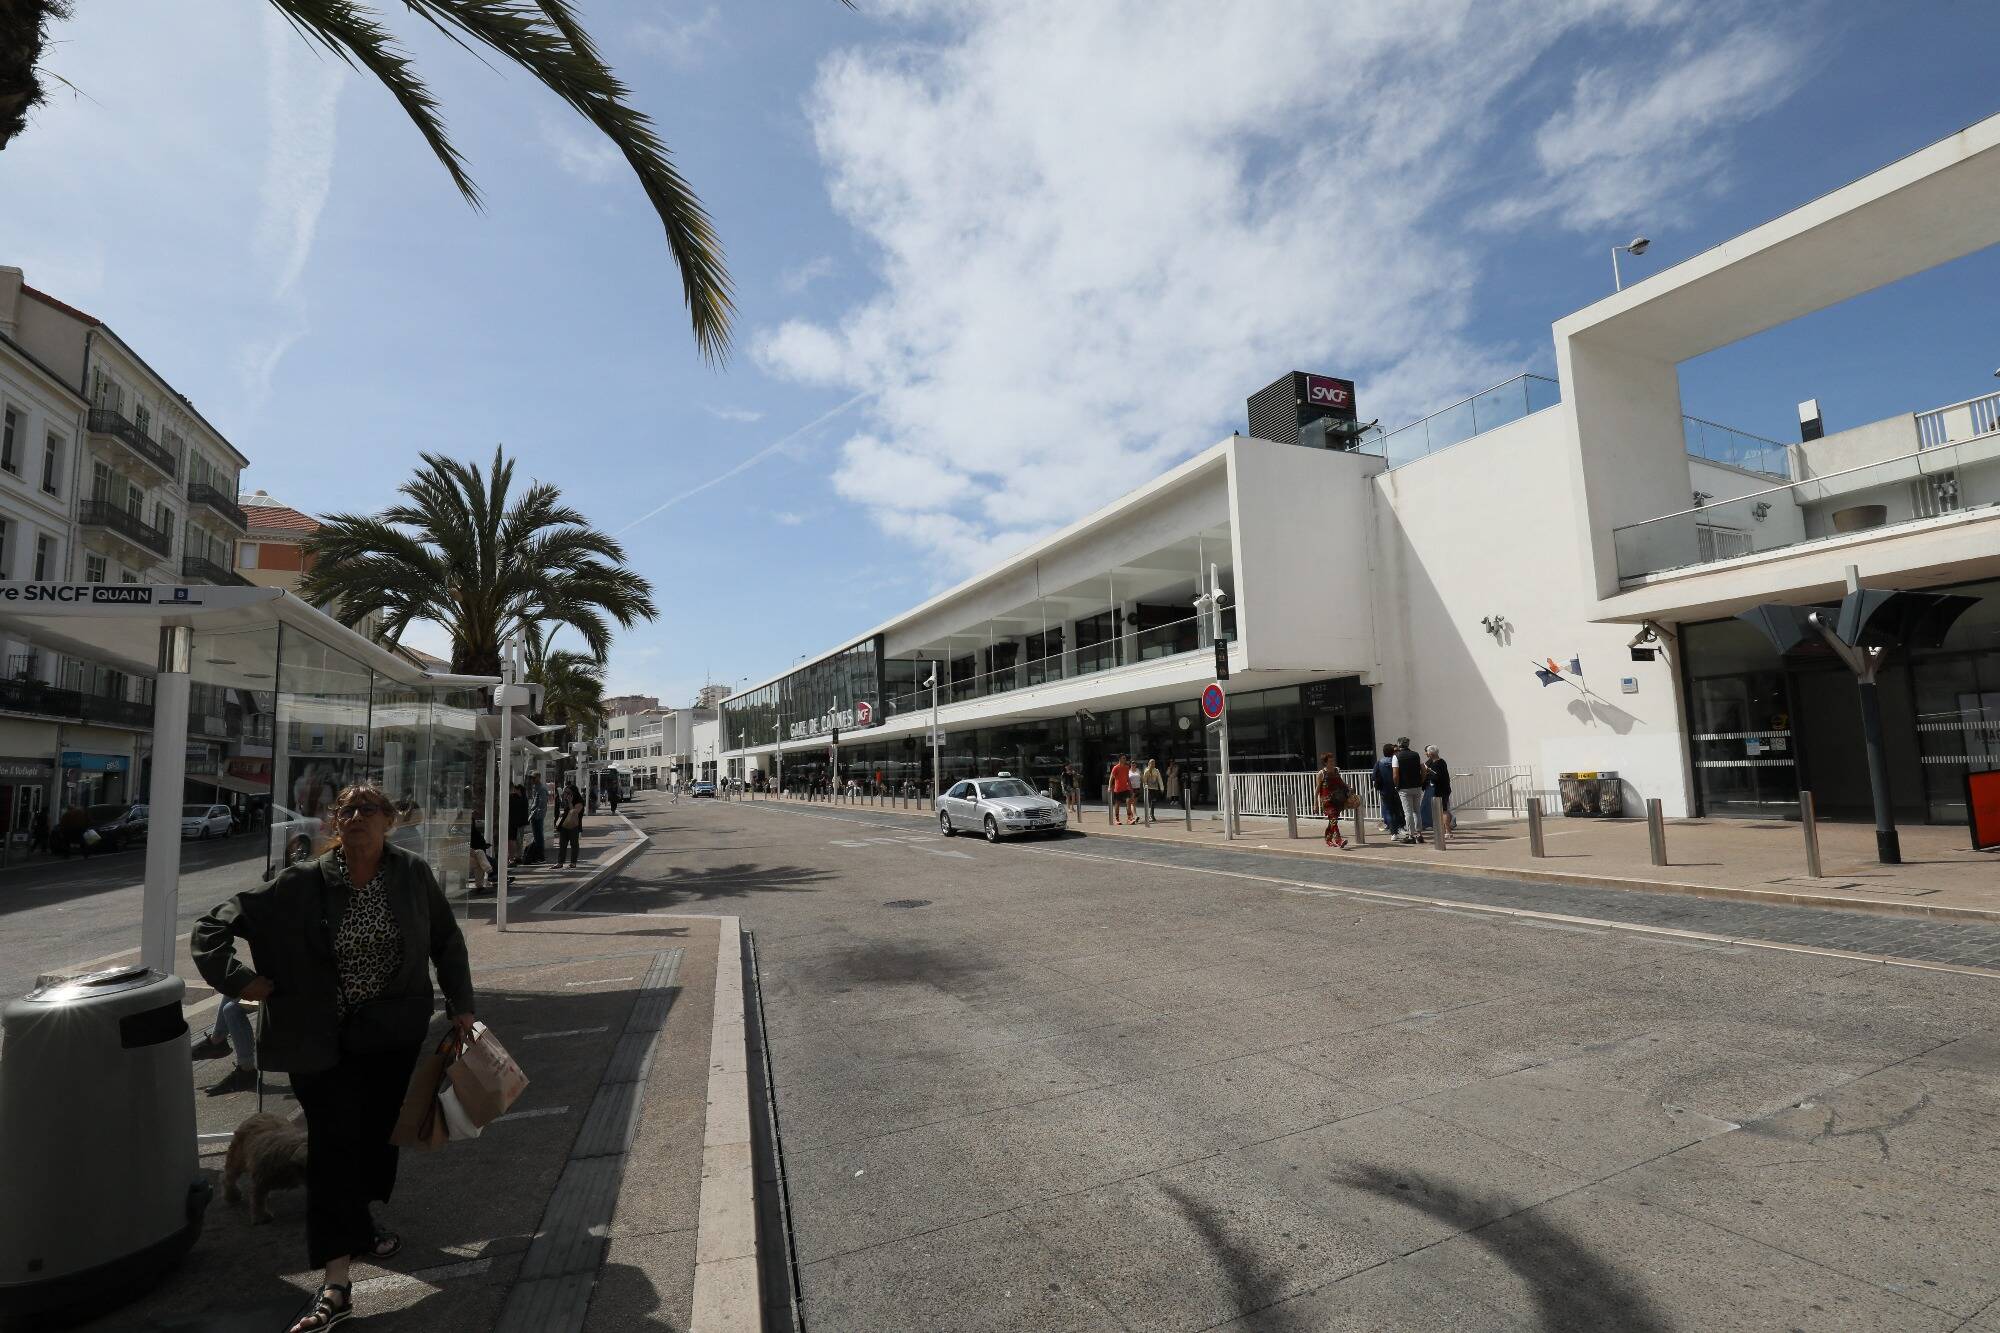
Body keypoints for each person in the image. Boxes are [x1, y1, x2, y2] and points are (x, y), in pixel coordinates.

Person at [191, 782, 475, 1333]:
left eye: (370, 809)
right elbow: (212, 927)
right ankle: (336, 1284)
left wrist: (461, 1005)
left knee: (374, 1143)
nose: (358, 817)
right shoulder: (300, 884)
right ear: (332, 823)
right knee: (331, 1151)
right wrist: (240, 980)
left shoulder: (411, 874)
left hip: (390, 1035)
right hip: (319, 1042)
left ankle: (360, 1221)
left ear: (389, 821)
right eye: (347, 810)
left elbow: (446, 939)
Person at [190, 993, 260, 1093]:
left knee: (232, 1010)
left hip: (282, 994)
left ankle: (246, 1070)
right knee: (233, 987)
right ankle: (217, 1040)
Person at [1393, 737, 1427, 844]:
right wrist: (1421, 781)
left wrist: (1396, 785)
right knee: (1417, 811)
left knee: (1408, 812)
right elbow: (1424, 770)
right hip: (1417, 786)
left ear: (1399, 745)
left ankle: (1410, 835)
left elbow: (1395, 775)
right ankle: (1419, 834)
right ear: (1408, 744)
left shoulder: (1396, 756)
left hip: (1404, 787)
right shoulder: (1416, 755)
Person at [1316, 752, 1351, 849]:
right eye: (1330, 761)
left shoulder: (1336, 771)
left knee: (1332, 821)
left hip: (1337, 799)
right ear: (1325, 762)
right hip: (1327, 801)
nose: (1332, 762)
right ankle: (1339, 840)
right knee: (1333, 820)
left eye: (1333, 760)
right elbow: (1317, 790)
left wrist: (1349, 788)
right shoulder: (1321, 773)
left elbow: (1341, 783)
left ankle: (1328, 839)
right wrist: (1315, 803)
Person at [1371, 743, 1404, 842]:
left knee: (1389, 811)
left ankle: (1393, 833)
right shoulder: (1397, 761)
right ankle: (1401, 828)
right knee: (1399, 809)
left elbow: (1373, 776)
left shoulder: (1379, 762)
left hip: (1384, 790)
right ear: (1393, 752)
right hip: (1397, 789)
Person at [1423, 745, 1453, 836]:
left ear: (1431, 753)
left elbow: (1437, 777)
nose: (1426, 754)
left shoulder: (1437, 764)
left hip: (1440, 790)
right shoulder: (1441, 762)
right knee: (1444, 810)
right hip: (1444, 788)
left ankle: (1447, 831)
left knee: (1444, 810)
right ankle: (1445, 829)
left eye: (1427, 752)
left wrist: (1428, 772)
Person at [556, 782, 585, 867]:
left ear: (573, 793)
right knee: (562, 844)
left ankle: (573, 863)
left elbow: (574, 813)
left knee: (574, 844)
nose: (566, 794)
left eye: (568, 793)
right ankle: (560, 862)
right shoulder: (566, 801)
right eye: (565, 792)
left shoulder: (579, 802)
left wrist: (570, 803)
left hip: (574, 826)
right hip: (565, 825)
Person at [468, 814, 494, 892]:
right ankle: (490, 871)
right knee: (481, 855)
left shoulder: (475, 833)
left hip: (474, 856)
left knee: (480, 857)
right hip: (459, 855)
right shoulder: (456, 831)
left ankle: (480, 885)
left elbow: (481, 843)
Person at [526, 778, 548, 865]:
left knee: (538, 836)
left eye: (532, 779)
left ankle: (540, 857)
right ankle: (537, 856)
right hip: (536, 815)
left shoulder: (541, 789)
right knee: (537, 836)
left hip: (537, 816)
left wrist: (534, 812)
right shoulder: (537, 789)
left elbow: (542, 803)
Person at [506, 783, 528, 865]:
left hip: (514, 823)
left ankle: (513, 857)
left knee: (514, 840)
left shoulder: (514, 798)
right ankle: (518, 856)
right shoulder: (522, 798)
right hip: (519, 823)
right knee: (518, 840)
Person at [1109, 755, 1134, 825]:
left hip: (1125, 789)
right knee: (1117, 804)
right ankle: (1117, 819)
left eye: (1125, 758)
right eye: (1123, 758)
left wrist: (1131, 788)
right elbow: (1111, 778)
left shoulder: (1126, 767)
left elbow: (1127, 778)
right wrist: (1109, 787)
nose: (1125, 759)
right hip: (1118, 789)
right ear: (1120, 759)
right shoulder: (1115, 768)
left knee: (1128, 802)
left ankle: (1129, 819)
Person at [1142, 758, 1164, 823]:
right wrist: (1145, 788)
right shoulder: (1146, 770)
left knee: (1153, 802)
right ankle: (1150, 815)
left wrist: (1162, 788)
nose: (1153, 764)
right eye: (1152, 763)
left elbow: (1160, 779)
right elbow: (1144, 780)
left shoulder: (1156, 771)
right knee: (1150, 801)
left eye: (1154, 763)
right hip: (1148, 788)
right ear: (1149, 764)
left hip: (1155, 788)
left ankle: (1151, 814)